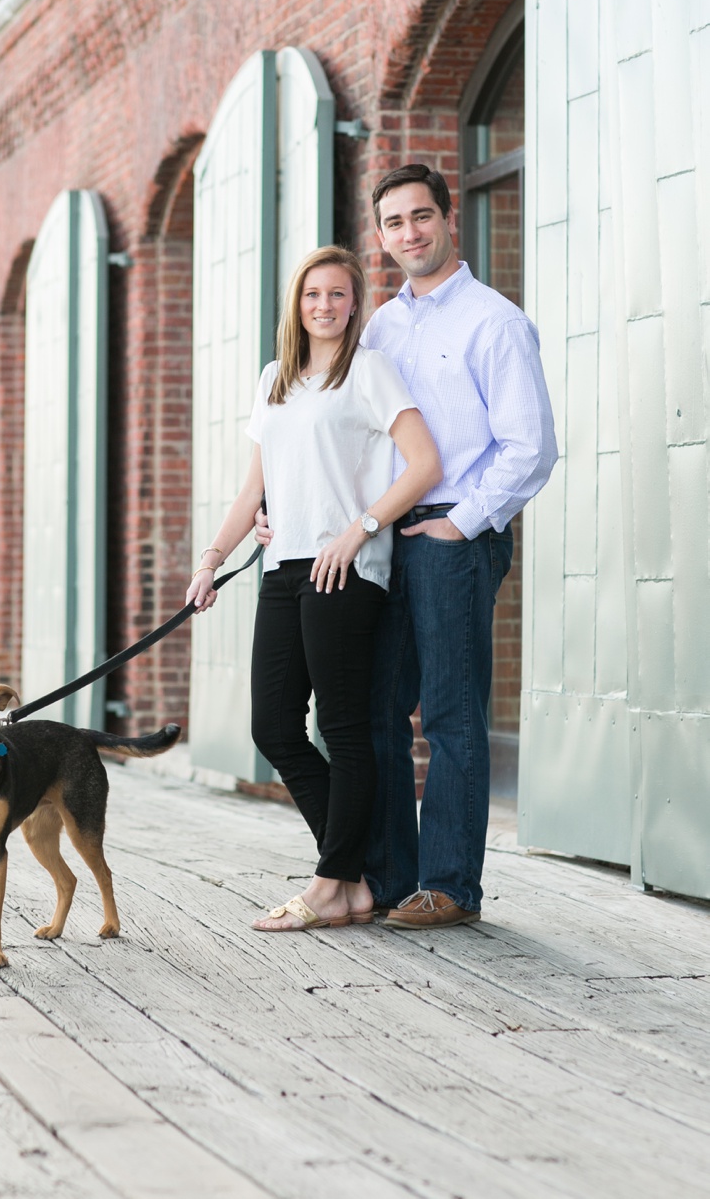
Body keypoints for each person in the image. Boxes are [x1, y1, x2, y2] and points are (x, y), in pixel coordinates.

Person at [187, 245, 442, 932]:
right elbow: (254, 488)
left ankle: (333, 882)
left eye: (337, 295)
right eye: (312, 295)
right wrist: (212, 558)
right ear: (296, 306)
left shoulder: (369, 370)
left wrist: (359, 530)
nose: (324, 306)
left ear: (355, 304)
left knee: (342, 728)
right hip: (283, 567)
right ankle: (352, 879)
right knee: (271, 725)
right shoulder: (276, 378)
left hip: (346, 569)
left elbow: (423, 465)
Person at [362, 163, 557, 928]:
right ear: (380, 238)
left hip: (454, 534)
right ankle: (390, 876)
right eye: (394, 223)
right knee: (378, 705)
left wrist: (461, 523)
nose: (409, 233)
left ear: (449, 220)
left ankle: (448, 884)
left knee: (448, 713)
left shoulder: (494, 321)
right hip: (388, 531)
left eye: (421, 217)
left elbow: (529, 447)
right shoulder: (380, 325)